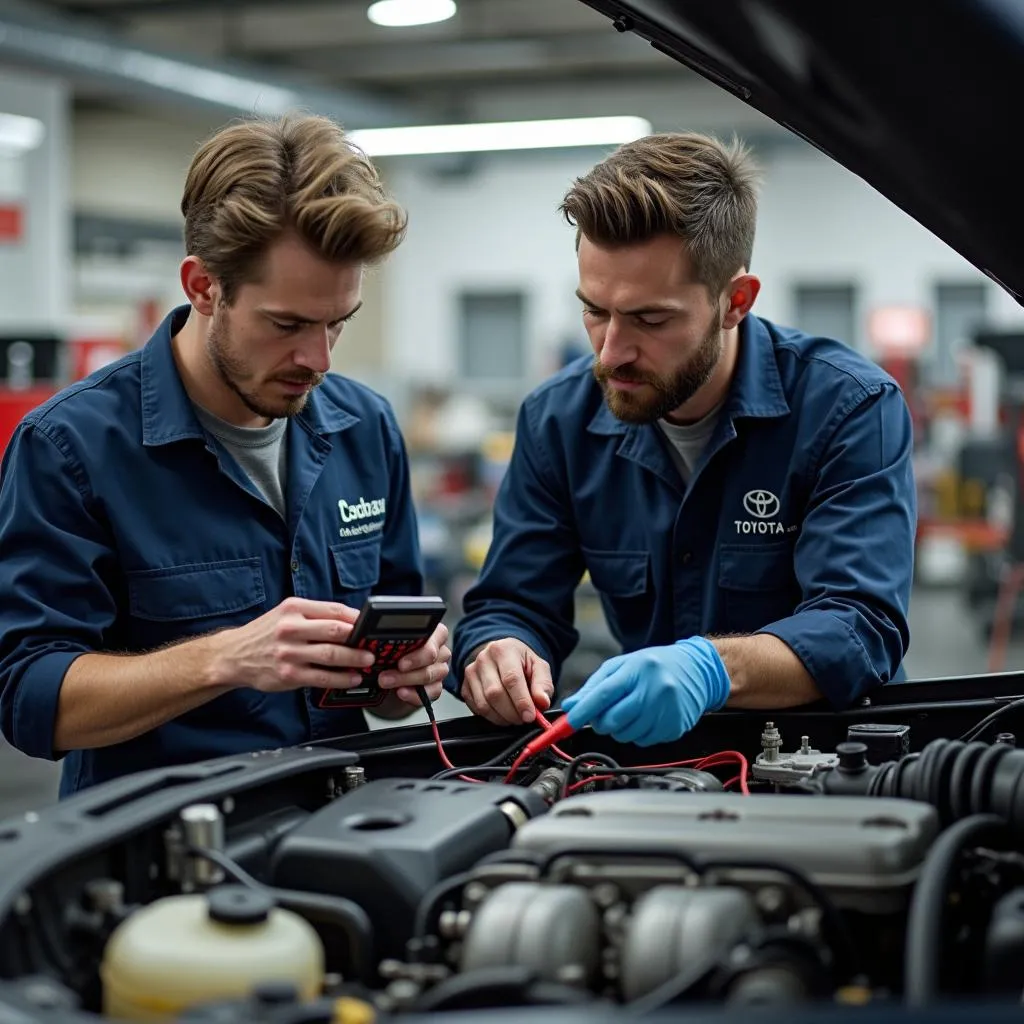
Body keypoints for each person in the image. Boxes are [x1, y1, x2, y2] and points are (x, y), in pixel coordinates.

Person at [0, 113, 451, 796]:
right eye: (288, 324)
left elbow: (384, 690)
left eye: (337, 323)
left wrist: (405, 673)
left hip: (340, 834)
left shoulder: (366, 427)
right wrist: (224, 659)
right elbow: (30, 700)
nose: (319, 359)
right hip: (167, 857)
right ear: (202, 286)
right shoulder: (71, 448)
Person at [449, 132, 916, 746]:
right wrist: (500, 651)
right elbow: (514, 600)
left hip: (830, 760)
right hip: (658, 765)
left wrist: (711, 668)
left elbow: (859, 625)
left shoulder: (849, 408)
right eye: (595, 310)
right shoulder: (556, 420)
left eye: (650, 319)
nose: (611, 352)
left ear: (735, 302)